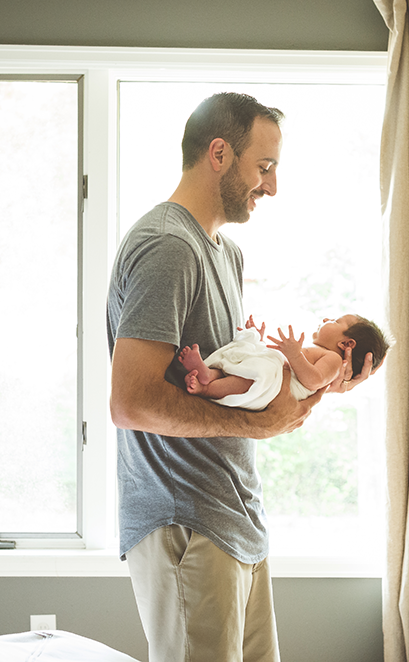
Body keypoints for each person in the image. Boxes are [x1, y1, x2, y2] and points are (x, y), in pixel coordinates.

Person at [106, 92, 375, 662]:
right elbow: (130, 402)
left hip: (235, 518)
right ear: (220, 153)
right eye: (265, 167)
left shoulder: (226, 255)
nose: (271, 187)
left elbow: (241, 389)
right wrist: (263, 428)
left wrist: (319, 385)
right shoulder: (167, 247)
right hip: (186, 521)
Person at [178, 314, 390, 411]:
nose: (326, 319)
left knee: (251, 380)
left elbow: (313, 381)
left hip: (275, 388)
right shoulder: (321, 353)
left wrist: (294, 355)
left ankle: (208, 389)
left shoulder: (334, 360)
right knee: (249, 364)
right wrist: (257, 340)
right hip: (276, 377)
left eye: (335, 321)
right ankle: (208, 374)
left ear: (346, 343)